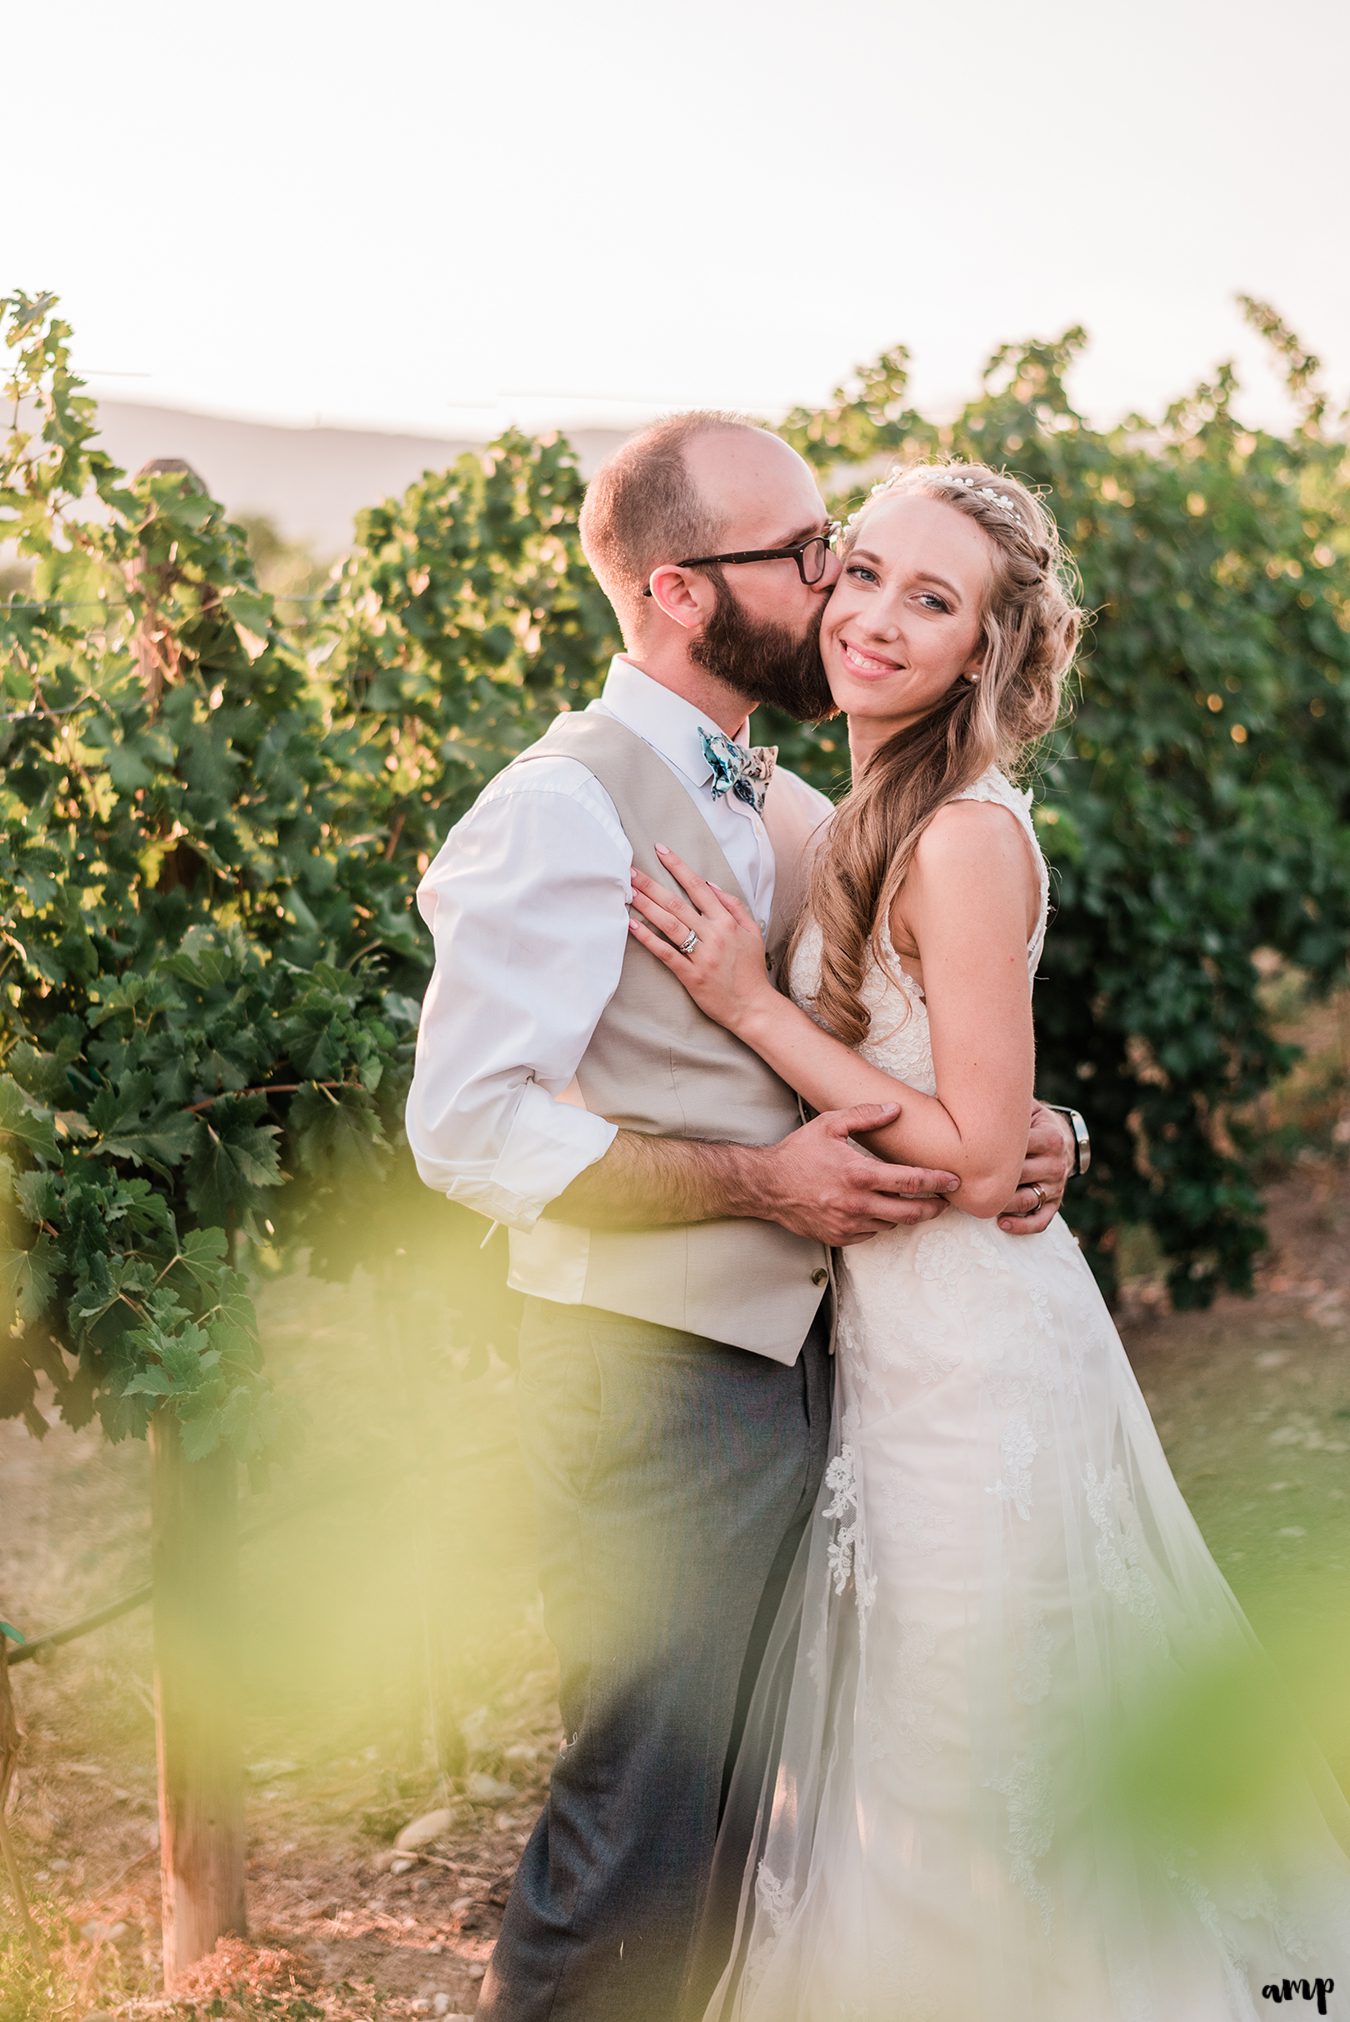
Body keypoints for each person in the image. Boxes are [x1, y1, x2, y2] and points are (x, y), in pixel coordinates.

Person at [628, 460, 1350, 2020]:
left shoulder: (961, 835)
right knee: (899, 1747)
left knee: (968, 1741)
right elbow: (982, 1100)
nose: (877, 619)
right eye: (866, 571)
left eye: (931, 601)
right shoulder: (854, 805)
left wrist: (749, 1004)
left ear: (986, 651)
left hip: (971, 1348)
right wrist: (1053, 1125)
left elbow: (965, 1150)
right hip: (889, 1338)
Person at [404, 414, 1080, 2022]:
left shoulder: (773, 797)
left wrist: (1043, 1126)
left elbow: (920, 1014)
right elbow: (465, 1124)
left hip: (801, 1361)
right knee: (638, 1820)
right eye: (805, 556)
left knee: (745, 1828)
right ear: (680, 592)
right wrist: (756, 1182)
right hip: (648, 1376)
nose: (833, 580)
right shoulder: (560, 804)